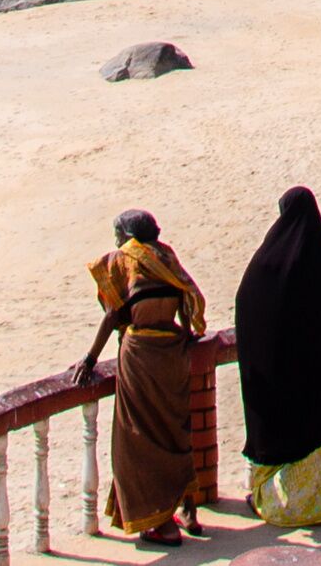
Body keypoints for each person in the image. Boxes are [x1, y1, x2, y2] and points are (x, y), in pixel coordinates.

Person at [234, 187, 321, 527]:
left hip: (276, 369)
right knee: (314, 426)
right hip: (312, 369)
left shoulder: (265, 259)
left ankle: (278, 504)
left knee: (283, 432)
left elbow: (248, 306)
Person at [77, 211, 206, 546]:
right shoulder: (166, 255)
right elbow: (186, 303)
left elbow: (112, 315)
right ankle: (189, 508)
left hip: (142, 358)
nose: (116, 241)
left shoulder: (123, 259)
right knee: (176, 431)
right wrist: (188, 334)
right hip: (173, 353)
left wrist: (90, 359)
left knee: (138, 442)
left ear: (128, 235)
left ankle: (161, 524)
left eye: (117, 234)